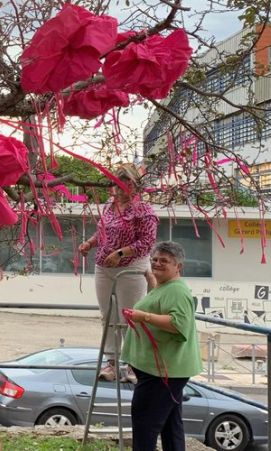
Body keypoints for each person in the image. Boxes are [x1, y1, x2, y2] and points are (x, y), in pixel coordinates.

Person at [78, 163, 158, 384]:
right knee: (108, 316)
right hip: (104, 266)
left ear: (134, 186)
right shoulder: (109, 206)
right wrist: (90, 243)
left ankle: (134, 364)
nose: (119, 191)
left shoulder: (144, 210)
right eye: (116, 185)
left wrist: (121, 253)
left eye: (125, 186)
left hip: (131, 267)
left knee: (130, 316)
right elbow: (102, 232)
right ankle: (111, 362)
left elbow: (147, 242)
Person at [122, 241, 201, 451]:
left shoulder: (176, 291)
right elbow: (162, 300)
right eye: (154, 259)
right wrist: (150, 278)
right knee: (170, 425)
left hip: (161, 373)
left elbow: (178, 324)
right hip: (164, 371)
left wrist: (144, 316)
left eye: (164, 261)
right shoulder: (166, 286)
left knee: (145, 425)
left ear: (178, 266)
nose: (157, 264)